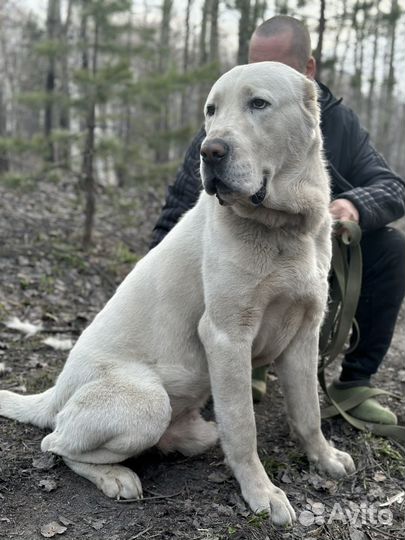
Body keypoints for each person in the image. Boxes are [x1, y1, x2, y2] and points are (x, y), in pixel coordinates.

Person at [150, 15, 405, 425]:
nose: (259, 75)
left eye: (275, 71)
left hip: (319, 261)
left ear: (307, 71)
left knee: (391, 246)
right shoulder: (220, 132)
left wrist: (352, 205)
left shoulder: (336, 121)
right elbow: (176, 219)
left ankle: (354, 385)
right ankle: (247, 363)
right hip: (242, 277)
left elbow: (392, 187)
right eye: (253, 64)